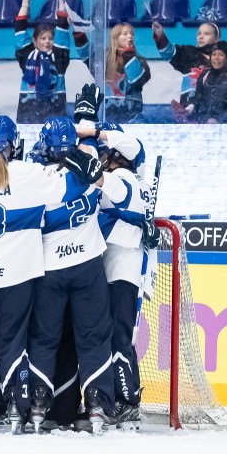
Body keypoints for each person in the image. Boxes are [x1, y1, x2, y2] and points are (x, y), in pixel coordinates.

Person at [0, 115, 97, 432]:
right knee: (13, 340)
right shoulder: (29, 173)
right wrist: (83, 162)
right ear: (16, 143)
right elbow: (70, 189)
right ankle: (16, 405)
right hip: (17, 274)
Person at [26, 117, 119, 433]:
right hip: (88, 266)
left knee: (44, 337)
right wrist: (85, 121)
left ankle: (39, 402)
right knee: (94, 338)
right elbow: (89, 147)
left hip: (50, 269)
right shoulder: (91, 161)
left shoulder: (39, 177)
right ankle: (97, 404)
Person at [78, 119, 157, 430]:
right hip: (122, 263)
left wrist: (86, 142)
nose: (99, 158)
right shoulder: (132, 176)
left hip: (122, 266)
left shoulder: (122, 175)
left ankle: (127, 402)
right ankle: (123, 399)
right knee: (117, 334)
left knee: (119, 336)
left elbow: (100, 179)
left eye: (102, 153)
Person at [151, 21, 227, 117]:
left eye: (206, 34)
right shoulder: (189, 54)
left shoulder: (226, 59)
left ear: (217, 39)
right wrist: (161, 37)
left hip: (214, 116)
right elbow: (168, 53)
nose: (201, 36)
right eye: (199, 33)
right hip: (187, 113)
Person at [15, 0, 73, 123]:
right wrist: (25, 3)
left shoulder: (59, 57)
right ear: (35, 41)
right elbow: (20, 30)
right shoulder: (27, 56)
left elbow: (62, 28)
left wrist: (61, 0)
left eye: (50, 38)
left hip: (55, 112)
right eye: (43, 38)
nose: (47, 41)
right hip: (28, 113)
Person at [190, 40, 227, 124]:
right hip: (203, 125)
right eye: (214, 54)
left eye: (221, 55)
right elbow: (197, 99)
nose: (216, 58)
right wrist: (188, 109)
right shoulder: (204, 75)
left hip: (226, 128)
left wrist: (218, 121)